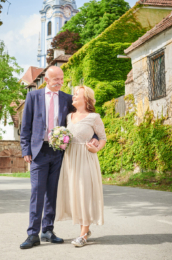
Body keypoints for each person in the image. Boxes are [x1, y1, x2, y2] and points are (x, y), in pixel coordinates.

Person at [20, 67, 98, 249]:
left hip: (60, 152)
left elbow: (81, 120)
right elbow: (26, 126)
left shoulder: (66, 98)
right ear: (46, 79)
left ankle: (47, 230)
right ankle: (32, 234)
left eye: (61, 79)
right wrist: (26, 149)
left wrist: (94, 139)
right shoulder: (33, 97)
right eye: (56, 79)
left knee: (53, 193)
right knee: (37, 193)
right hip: (39, 151)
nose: (60, 82)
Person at [56, 85, 107, 247]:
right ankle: (84, 229)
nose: (73, 96)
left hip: (86, 158)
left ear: (86, 98)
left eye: (77, 94)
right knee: (75, 194)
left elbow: (102, 138)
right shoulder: (68, 116)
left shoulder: (94, 117)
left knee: (85, 193)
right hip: (70, 159)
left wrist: (96, 147)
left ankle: (83, 235)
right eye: (74, 94)